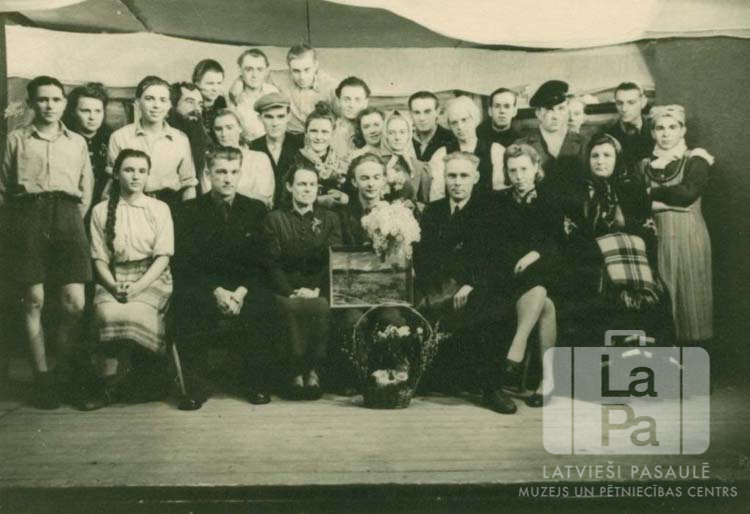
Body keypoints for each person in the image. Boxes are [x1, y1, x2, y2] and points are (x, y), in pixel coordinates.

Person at [0, 75, 94, 409]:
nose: (49, 106)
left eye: (55, 99)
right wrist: (19, 225)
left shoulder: (77, 142)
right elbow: (3, 187)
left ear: (64, 104)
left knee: (75, 303)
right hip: (27, 217)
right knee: (34, 300)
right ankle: (42, 379)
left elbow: (86, 189)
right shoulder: (16, 139)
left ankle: (62, 372)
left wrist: (70, 221)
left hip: (68, 217)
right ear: (31, 103)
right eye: (42, 99)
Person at [173, 146, 281, 409]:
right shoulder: (189, 210)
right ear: (208, 174)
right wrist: (217, 291)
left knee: (265, 304)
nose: (228, 178)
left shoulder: (255, 209)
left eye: (234, 172)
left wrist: (241, 292)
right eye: (221, 172)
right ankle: (197, 387)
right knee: (187, 305)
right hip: (207, 286)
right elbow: (186, 263)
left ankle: (255, 383)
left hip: (243, 287)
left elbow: (261, 262)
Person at [414, 151, 517, 414]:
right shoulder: (434, 211)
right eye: (452, 176)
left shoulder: (491, 209)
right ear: (444, 178)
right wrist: (437, 288)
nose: (457, 182)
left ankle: (492, 388)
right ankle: (431, 377)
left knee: (491, 307)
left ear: (476, 178)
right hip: (441, 285)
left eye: (463, 176)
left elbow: (498, 258)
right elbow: (424, 257)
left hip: (479, 285)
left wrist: (471, 283)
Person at [564, 134, 673, 345]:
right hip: (592, 264)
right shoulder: (577, 192)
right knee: (597, 292)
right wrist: (604, 251)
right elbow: (572, 235)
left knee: (655, 292)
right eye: (595, 156)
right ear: (587, 159)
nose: (600, 161)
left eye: (607, 155)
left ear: (617, 159)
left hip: (634, 261)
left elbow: (648, 232)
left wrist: (624, 244)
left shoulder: (633, 188)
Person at [89, 149, 174, 404]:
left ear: (148, 175)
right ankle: (109, 380)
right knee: (107, 313)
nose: (135, 176)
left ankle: (132, 378)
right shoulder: (100, 210)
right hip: (114, 276)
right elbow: (99, 258)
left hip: (152, 276)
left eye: (141, 171)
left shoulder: (159, 208)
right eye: (128, 170)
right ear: (116, 174)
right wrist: (113, 285)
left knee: (137, 312)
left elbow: (163, 256)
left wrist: (138, 287)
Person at [264, 164, 343, 400]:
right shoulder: (275, 219)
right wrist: (290, 291)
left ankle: (313, 370)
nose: (307, 189)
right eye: (301, 184)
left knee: (321, 305)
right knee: (290, 307)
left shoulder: (330, 218)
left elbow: (334, 259)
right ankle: (295, 371)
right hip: (285, 287)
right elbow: (271, 262)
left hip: (319, 286)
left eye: (312, 185)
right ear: (289, 187)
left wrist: (316, 288)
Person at [494, 144, 560, 407]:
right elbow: (496, 244)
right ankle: (548, 380)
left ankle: (516, 347)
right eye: (513, 171)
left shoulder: (550, 199)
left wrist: (535, 254)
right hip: (509, 273)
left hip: (544, 269)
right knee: (545, 304)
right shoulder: (499, 201)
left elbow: (557, 243)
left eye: (524, 169)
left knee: (540, 286)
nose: (519, 176)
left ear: (536, 168)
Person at [640, 105, 713, 345]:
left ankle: (696, 358)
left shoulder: (696, 160)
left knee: (692, 301)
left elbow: (687, 194)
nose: (666, 133)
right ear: (653, 133)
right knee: (662, 296)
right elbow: (635, 200)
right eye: (660, 128)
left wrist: (652, 193)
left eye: (672, 127)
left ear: (683, 130)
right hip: (657, 238)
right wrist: (662, 202)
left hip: (689, 236)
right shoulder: (644, 165)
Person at [107, 76, 198, 209]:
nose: (156, 105)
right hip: (130, 206)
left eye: (163, 100)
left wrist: (187, 214)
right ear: (138, 102)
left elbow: (188, 184)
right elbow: (112, 182)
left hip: (171, 206)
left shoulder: (180, 139)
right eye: (149, 99)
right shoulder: (120, 137)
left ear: (169, 105)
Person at [515, 80, 586, 209]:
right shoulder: (522, 146)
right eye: (549, 109)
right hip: (535, 212)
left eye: (561, 109)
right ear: (538, 113)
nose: (556, 116)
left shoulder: (584, 143)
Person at [431, 95, 506, 199]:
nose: (460, 127)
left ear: (474, 119)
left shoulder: (496, 151)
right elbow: (437, 195)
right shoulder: (441, 154)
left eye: (464, 120)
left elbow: (500, 192)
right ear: (449, 125)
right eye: (454, 122)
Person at [208, 108, 275, 208]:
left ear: (240, 128)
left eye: (229, 128)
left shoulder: (259, 159)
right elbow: (209, 197)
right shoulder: (209, 160)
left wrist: (225, 191)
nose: (224, 134)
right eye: (218, 129)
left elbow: (264, 200)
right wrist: (245, 193)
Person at [248, 92, 304, 207]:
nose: (275, 123)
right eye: (269, 117)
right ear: (260, 118)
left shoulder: (300, 144)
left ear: (289, 117)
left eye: (280, 116)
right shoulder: (253, 147)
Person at [62, 82, 111, 208]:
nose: (92, 117)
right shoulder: (63, 139)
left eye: (98, 111)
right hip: (72, 205)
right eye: (85, 111)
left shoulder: (112, 139)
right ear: (73, 112)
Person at [271, 44, 337, 134]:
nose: (302, 77)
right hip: (289, 136)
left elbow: (343, 119)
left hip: (319, 136)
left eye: (307, 70)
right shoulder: (279, 78)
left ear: (316, 65)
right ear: (289, 68)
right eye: (296, 71)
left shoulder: (331, 86)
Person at [296, 101, 349, 210]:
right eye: (313, 131)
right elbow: (286, 196)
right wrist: (318, 201)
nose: (319, 137)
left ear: (332, 134)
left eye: (324, 132)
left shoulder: (340, 161)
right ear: (306, 133)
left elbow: (352, 192)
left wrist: (343, 197)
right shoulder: (296, 159)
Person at [379, 110, 432, 205]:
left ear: (409, 134)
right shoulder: (377, 164)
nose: (397, 137)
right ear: (386, 135)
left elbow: (424, 204)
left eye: (402, 132)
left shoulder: (419, 167)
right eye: (391, 133)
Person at [228, 48, 280, 142]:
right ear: (240, 70)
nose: (254, 75)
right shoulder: (232, 96)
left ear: (266, 70)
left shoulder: (272, 92)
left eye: (260, 69)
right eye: (249, 69)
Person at [168, 81, 211, 192]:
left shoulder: (205, 140)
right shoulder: (165, 139)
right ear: (173, 105)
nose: (197, 109)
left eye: (200, 104)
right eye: (190, 102)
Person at [604, 82, 654, 172]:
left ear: (643, 102)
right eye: (619, 103)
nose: (624, 109)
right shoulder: (607, 134)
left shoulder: (656, 131)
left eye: (631, 103)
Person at [409, 90, 457, 162]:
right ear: (410, 114)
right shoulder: (405, 140)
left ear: (437, 112)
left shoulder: (452, 140)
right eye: (417, 112)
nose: (422, 118)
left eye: (427, 112)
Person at [330, 76, 370, 157]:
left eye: (357, 100)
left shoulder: (372, 131)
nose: (351, 105)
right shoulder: (329, 130)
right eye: (346, 99)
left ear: (365, 103)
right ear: (338, 101)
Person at [192, 59, 228, 133]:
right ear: (197, 83)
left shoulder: (223, 102)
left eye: (219, 83)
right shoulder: (190, 106)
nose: (215, 89)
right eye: (210, 83)